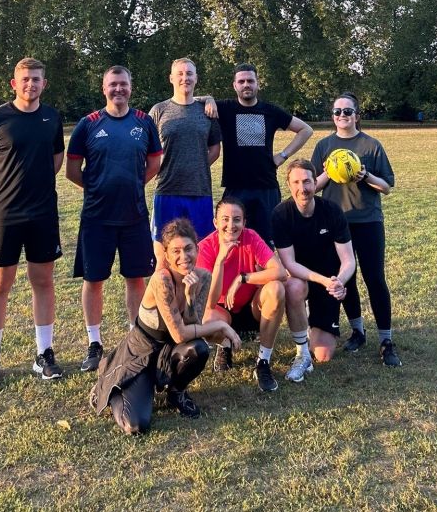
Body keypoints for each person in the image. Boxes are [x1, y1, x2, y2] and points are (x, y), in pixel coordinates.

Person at [92, 218, 242, 434]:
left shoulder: (203, 277)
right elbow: (181, 333)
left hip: (170, 350)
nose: (184, 257)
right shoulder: (161, 280)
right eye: (176, 251)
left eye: (189, 248)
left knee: (198, 348)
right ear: (166, 254)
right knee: (135, 426)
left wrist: (190, 299)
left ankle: (176, 392)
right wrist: (221, 326)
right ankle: (112, 381)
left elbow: (192, 330)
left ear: (197, 248)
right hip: (141, 353)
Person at [0, 57, 65, 389]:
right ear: (14, 83)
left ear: (44, 83)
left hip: (42, 215)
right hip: (4, 217)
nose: (31, 84)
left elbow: (56, 160)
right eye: (25, 79)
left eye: (36, 79)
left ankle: (44, 354)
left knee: (43, 281)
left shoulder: (51, 117)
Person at [66, 65, 162, 373]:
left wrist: (132, 185)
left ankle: (138, 338)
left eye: (123, 84)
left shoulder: (144, 122)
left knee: (135, 278)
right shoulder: (88, 124)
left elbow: (153, 163)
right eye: (112, 85)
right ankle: (94, 344)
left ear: (131, 88)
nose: (118, 89)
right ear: (103, 88)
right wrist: (98, 188)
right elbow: (71, 171)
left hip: (133, 215)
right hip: (97, 217)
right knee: (94, 280)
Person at [312, 92, 402, 367]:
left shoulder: (371, 145)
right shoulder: (324, 145)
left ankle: (386, 340)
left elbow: (386, 187)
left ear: (357, 115)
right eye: (337, 112)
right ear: (332, 116)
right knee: (344, 279)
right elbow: (311, 186)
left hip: (368, 221)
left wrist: (366, 176)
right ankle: (358, 331)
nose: (342, 116)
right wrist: (327, 173)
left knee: (374, 279)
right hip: (336, 223)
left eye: (348, 111)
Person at [200, 64, 313, 244]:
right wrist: (208, 98)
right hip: (235, 187)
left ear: (258, 84)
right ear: (234, 85)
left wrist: (283, 155)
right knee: (232, 241)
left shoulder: (271, 111)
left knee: (265, 243)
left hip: (266, 187)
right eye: (241, 81)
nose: (246, 85)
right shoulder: (225, 108)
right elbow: (192, 99)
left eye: (250, 81)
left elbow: (305, 130)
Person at [271, 160, 356, 382]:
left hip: (328, 280)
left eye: (307, 181)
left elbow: (348, 260)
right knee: (295, 287)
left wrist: (339, 281)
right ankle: (302, 350)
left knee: (324, 355)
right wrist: (323, 281)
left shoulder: (332, 211)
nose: (303, 188)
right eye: (296, 182)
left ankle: (313, 323)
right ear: (289, 185)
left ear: (315, 182)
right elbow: (289, 264)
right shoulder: (280, 214)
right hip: (304, 278)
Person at [196, 197, 286, 391]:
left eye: (237, 219)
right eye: (225, 219)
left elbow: (279, 272)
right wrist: (220, 261)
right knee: (205, 318)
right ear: (215, 222)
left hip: (251, 307)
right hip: (222, 311)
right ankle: (225, 345)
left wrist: (243, 278)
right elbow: (209, 303)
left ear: (244, 223)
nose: (231, 225)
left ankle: (263, 362)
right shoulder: (204, 248)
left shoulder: (251, 237)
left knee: (276, 289)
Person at [149, 58, 221, 259]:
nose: (184, 78)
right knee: (165, 255)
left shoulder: (207, 111)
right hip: (167, 191)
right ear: (171, 78)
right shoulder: (158, 110)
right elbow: (147, 150)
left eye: (189, 73)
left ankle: (197, 291)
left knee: (201, 254)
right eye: (180, 74)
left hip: (200, 191)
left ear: (196, 78)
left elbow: (215, 149)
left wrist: (195, 165)